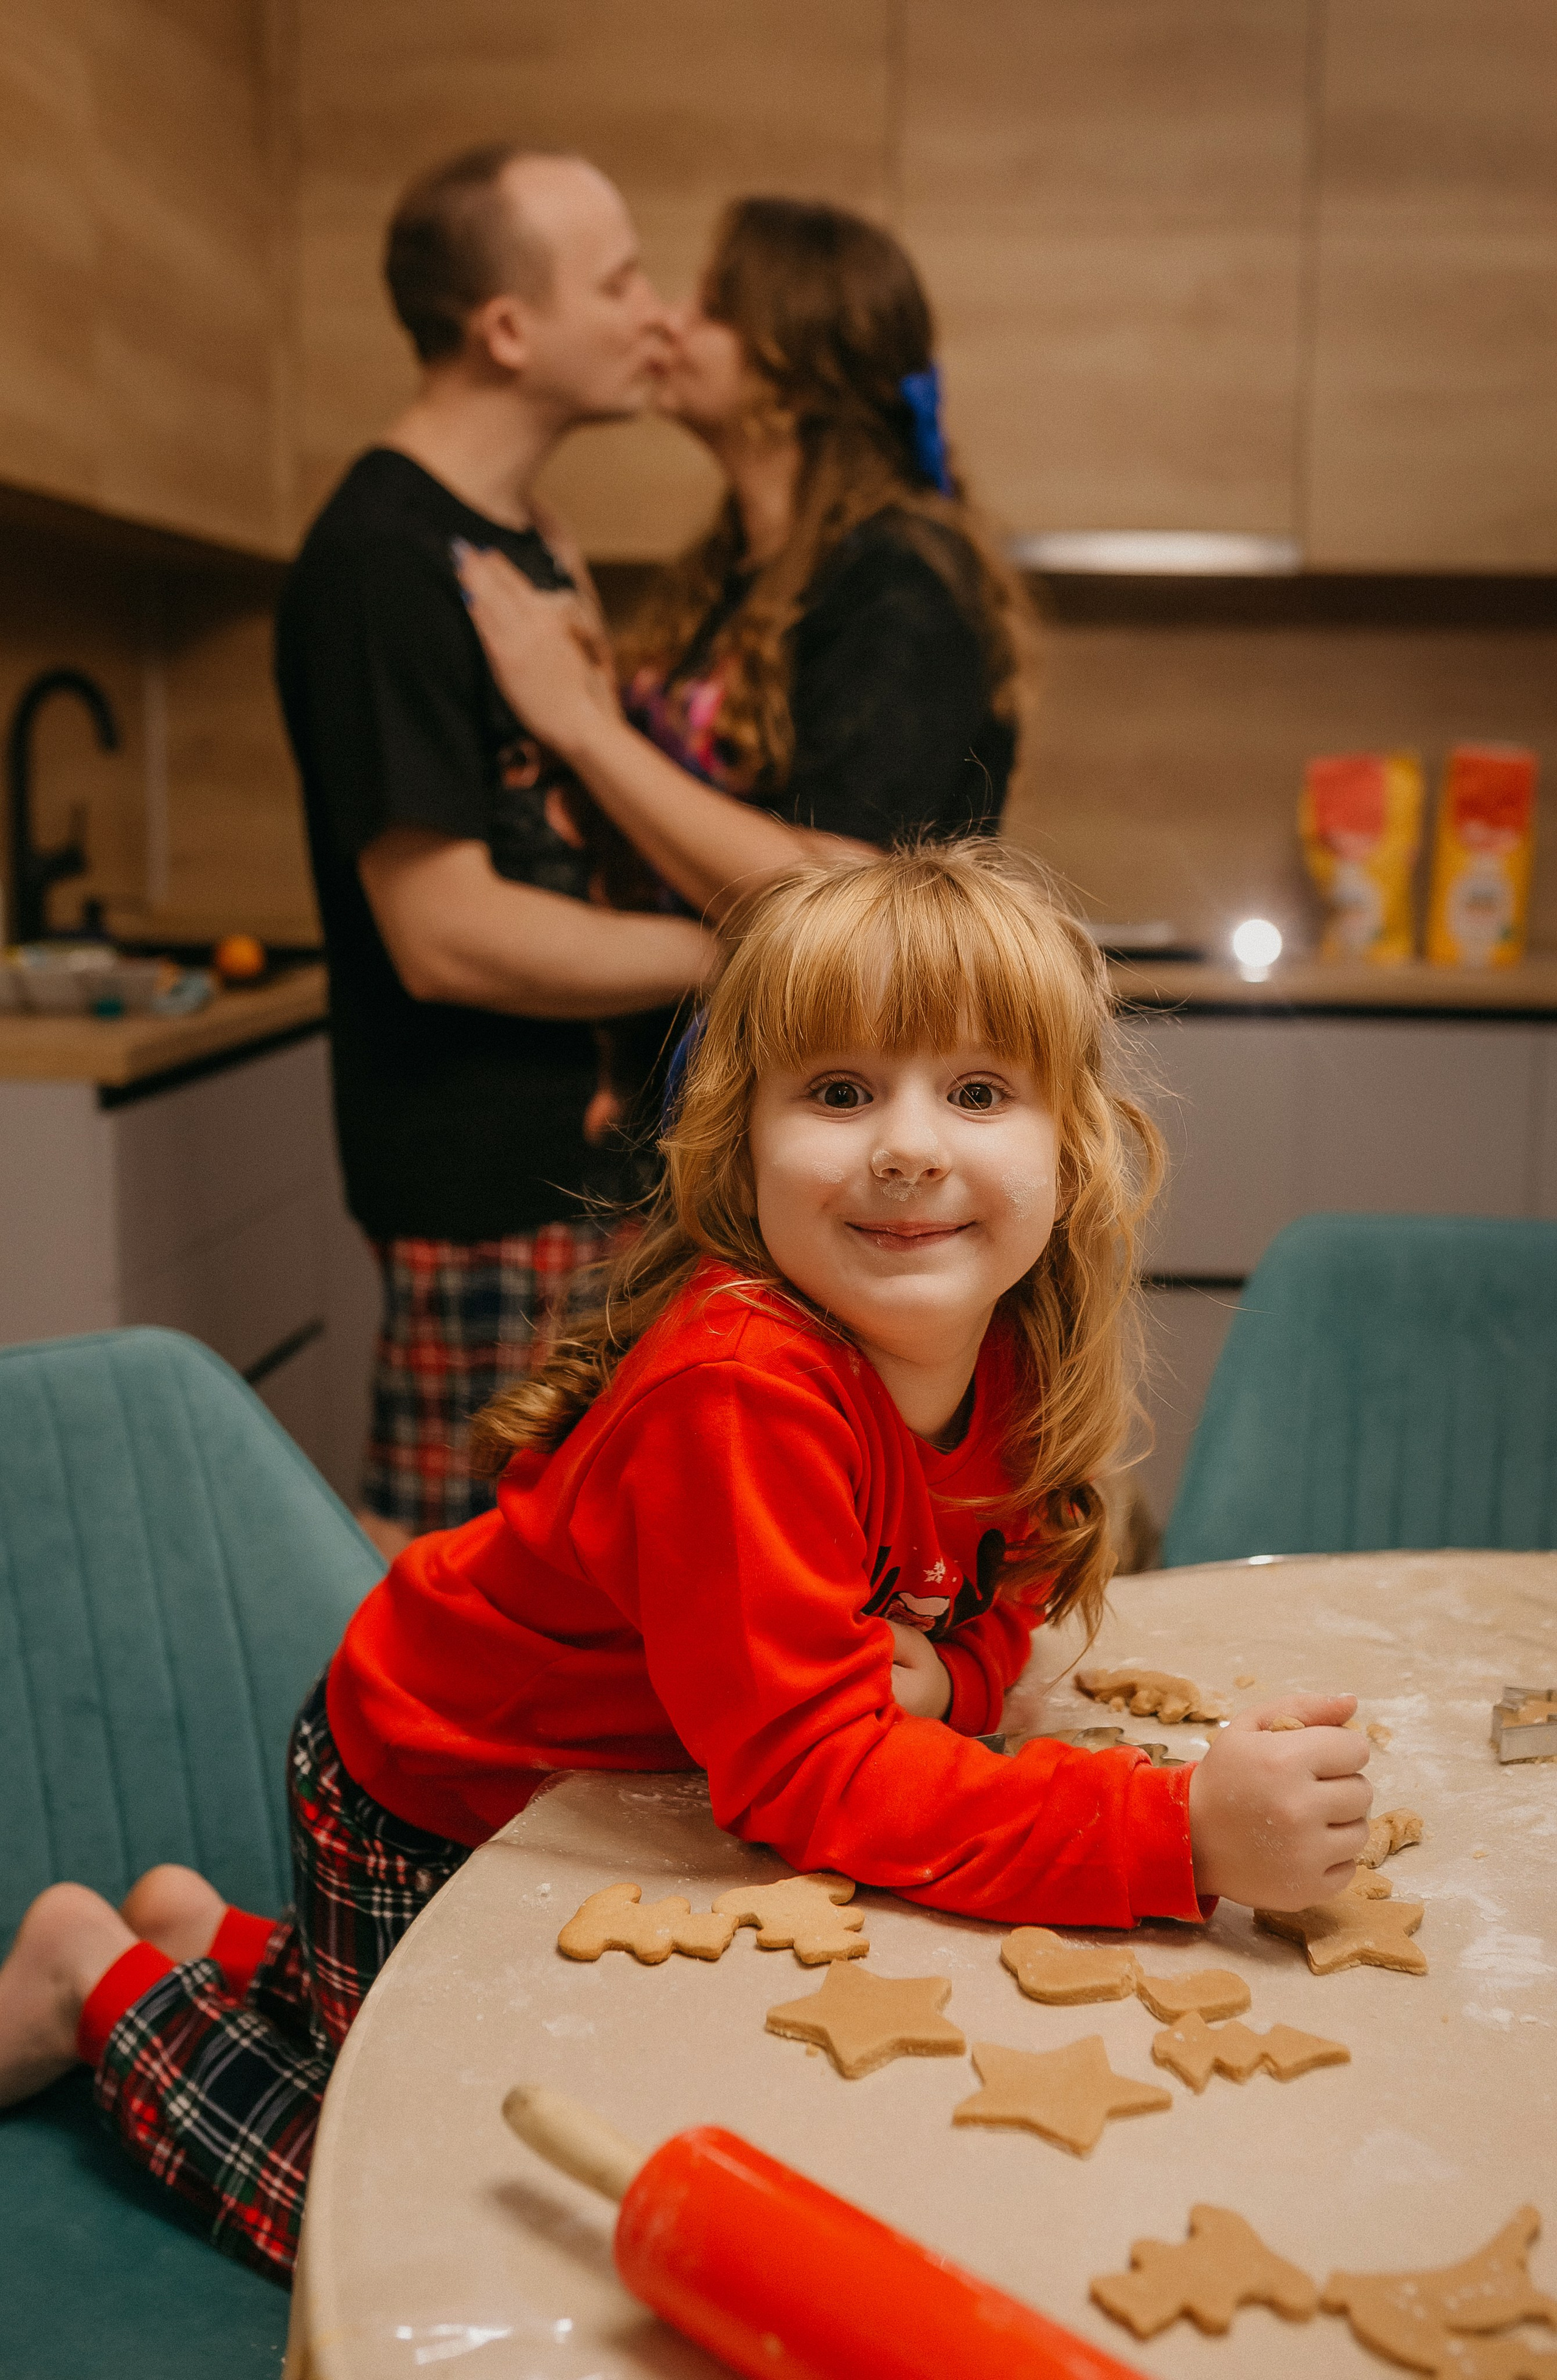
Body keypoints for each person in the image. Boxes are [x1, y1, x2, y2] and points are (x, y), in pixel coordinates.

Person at [0, 845, 1373, 2282]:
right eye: (839, 1092)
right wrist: (1173, 1834)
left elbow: (997, 1595)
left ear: (1069, 1145)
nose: (908, 1145)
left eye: (975, 1091)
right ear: (741, 1140)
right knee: (430, 2215)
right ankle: (102, 1983)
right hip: (447, 1784)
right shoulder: (740, 1387)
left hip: (626, 1791)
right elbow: (810, 1773)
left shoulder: (1009, 1338)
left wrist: (944, 1673)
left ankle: (208, 1944)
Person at [274, 144, 719, 1562]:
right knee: (476, 1622)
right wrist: (733, 948)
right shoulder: (384, 560)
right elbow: (444, 928)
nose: (655, 312)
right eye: (620, 280)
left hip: (594, 1171)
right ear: (508, 329)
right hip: (485, 1195)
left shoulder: (528, 539)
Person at [453, 193, 1039, 1128]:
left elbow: (837, 892)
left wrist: (585, 726)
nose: (670, 325)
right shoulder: (726, 574)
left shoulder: (904, 579)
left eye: (713, 307)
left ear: (792, 368)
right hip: (720, 1109)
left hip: (850, 1112)